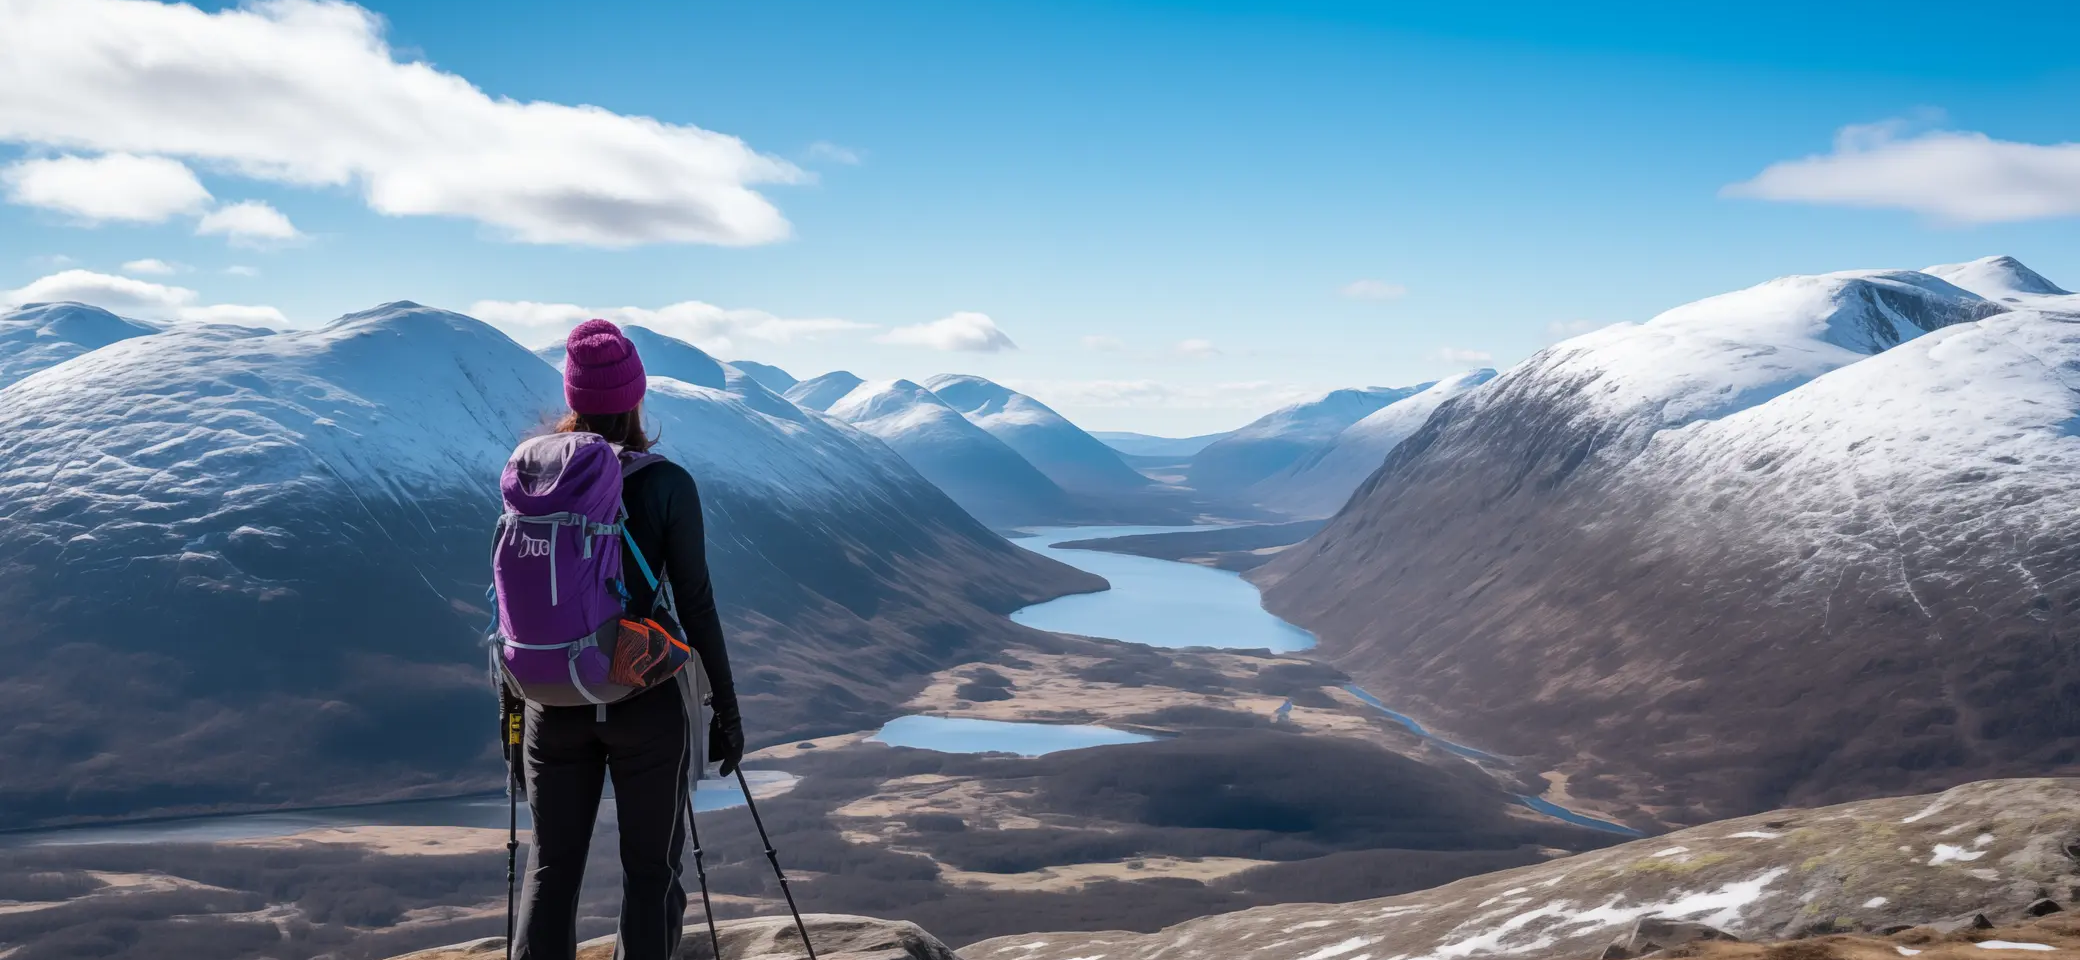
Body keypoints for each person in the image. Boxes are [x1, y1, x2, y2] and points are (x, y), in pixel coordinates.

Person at [513, 319, 745, 960]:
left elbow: (514, 606)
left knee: (551, 871)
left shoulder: (533, 480)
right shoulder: (667, 484)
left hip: (551, 699)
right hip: (644, 696)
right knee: (651, 874)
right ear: (635, 397)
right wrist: (724, 711)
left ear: (574, 398)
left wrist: (513, 718)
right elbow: (696, 604)